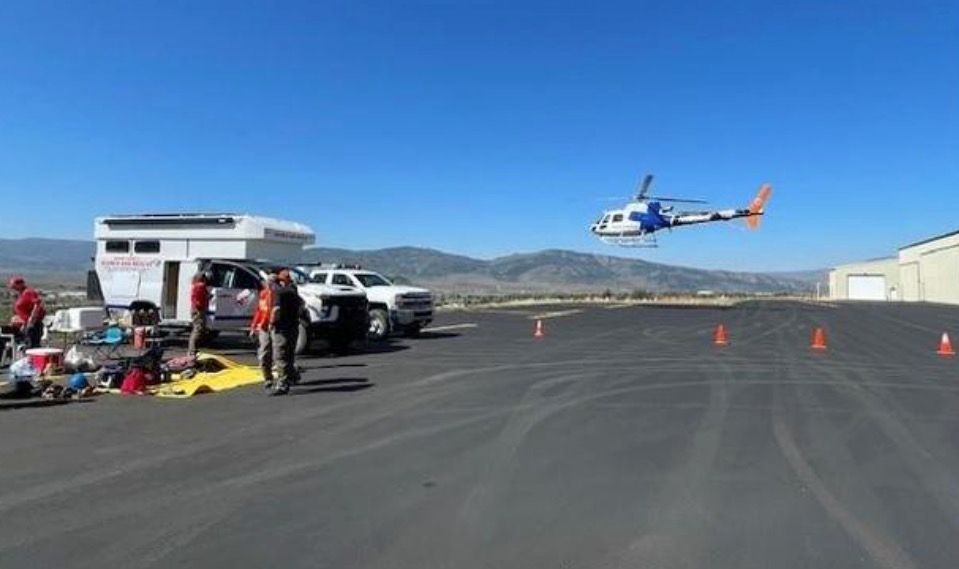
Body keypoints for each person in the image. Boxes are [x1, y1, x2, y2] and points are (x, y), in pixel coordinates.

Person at [269, 269, 303, 395]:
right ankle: (292, 376)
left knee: (280, 356)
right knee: (289, 354)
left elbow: (276, 309)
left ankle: (283, 383)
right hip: (293, 327)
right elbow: (302, 306)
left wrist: (272, 323)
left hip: (282, 328)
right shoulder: (294, 292)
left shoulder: (279, 292)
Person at [249, 272, 277, 390]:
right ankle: (268, 378)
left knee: (279, 354)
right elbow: (259, 311)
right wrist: (253, 327)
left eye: (272, 283)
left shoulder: (279, 295)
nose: (269, 285)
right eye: (268, 282)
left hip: (276, 326)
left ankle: (288, 375)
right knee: (264, 353)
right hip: (264, 327)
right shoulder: (263, 294)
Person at [7, 276, 45, 349]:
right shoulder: (21, 294)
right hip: (24, 325)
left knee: (32, 345)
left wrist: (32, 319)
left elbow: (37, 304)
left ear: (20, 284)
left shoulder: (29, 292)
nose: (13, 288)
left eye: (14, 286)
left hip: (33, 325)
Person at [187, 272, 210, 355]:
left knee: (198, 328)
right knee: (198, 329)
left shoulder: (195, 285)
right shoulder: (201, 286)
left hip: (196, 309)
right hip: (199, 309)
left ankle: (193, 349)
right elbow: (199, 299)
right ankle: (192, 350)